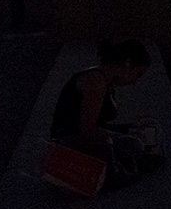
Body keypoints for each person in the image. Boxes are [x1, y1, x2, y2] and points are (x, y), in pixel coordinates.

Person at [49, 39, 164, 188]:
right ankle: (130, 161)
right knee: (134, 144)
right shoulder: (95, 81)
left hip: (80, 136)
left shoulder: (104, 80)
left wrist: (128, 129)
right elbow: (87, 130)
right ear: (127, 64)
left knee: (147, 125)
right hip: (70, 142)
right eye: (138, 74)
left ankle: (133, 157)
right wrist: (124, 136)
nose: (135, 82)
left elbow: (97, 124)